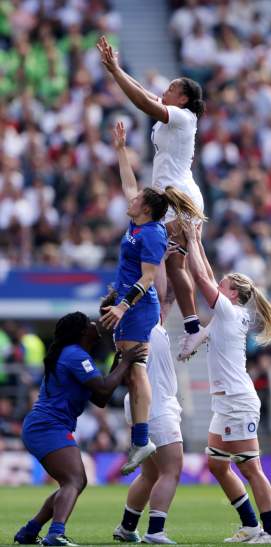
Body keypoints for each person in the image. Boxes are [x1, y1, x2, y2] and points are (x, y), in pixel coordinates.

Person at [100, 122, 203, 476]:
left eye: (137, 200)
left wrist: (123, 304)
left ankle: (142, 439)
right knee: (131, 369)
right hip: (129, 304)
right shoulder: (138, 225)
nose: (131, 198)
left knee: (135, 365)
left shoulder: (154, 235)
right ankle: (141, 438)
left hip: (140, 308)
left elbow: (147, 277)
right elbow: (129, 184)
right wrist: (120, 150)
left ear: (145, 209)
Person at [97, 36, 206, 360]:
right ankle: (171, 327)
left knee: (173, 265)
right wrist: (115, 69)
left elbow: (144, 104)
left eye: (172, 88)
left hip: (179, 197)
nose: (165, 91)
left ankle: (191, 327)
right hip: (167, 196)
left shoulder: (184, 118)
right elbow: (145, 95)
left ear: (184, 98)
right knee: (171, 270)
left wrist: (116, 73)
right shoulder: (173, 116)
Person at [184, 224, 271, 544]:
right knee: (217, 465)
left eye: (224, 284)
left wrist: (190, 240)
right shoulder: (230, 312)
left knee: (251, 468)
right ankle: (250, 525)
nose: (219, 284)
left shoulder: (229, 312)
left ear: (232, 293)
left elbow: (202, 278)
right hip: (225, 401)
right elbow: (207, 271)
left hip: (237, 400)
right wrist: (199, 241)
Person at [14, 311, 147, 547]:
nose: (95, 324)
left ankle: (29, 531)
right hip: (47, 426)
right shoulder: (75, 355)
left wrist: (118, 364)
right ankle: (55, 534)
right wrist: (125, 362)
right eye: (90, 323)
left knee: (74, 481)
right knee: (74, 480)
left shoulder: (75, 355)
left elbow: (100, 399)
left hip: (47, 425)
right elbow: (104, 390)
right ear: (83, 331)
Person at [113, 293, 182, 545]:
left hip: (147, 405)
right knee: (171, 470)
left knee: (150, 474)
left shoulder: (133, 325)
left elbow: (167, 298)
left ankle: (126, 527)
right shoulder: (141, 324)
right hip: (156, 405)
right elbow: (164, 293)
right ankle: (155, 531)